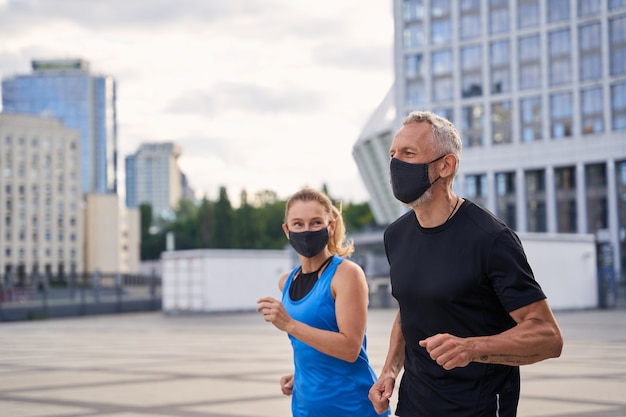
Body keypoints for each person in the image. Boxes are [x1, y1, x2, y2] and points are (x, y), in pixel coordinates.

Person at [368, 111, 564, 417]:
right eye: (393, 154)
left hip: (478, 407)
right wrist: (390, 370)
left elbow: (549, 337)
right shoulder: (396, 235)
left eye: (409, 154)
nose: (396, 164)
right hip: (413, 405)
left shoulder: (491, 239)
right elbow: (409, 308)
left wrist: (472, 348)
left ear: (446, 165)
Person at [257, 188, 389, 417]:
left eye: (315, 222)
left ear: (331, 226)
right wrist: (301, 375)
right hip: (304, 407)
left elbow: (350, 348)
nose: (306, 231)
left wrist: (289, 324)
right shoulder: (286, 282)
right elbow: (312, 347)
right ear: (287, 231)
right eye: (298, 224)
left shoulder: (346, 274)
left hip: (351, 408)